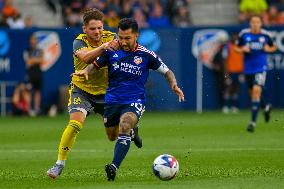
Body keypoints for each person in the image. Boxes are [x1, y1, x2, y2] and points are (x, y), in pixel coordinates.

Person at [74, 18, 185, 181]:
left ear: (136, 36)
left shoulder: (146, 55)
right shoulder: (111, 50)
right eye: (120, 37)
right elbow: (95, 65)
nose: (123, 42)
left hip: (134, 101)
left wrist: (173, 85)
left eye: (127, 38)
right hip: (111, 101)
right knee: (112, 136)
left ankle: (114, 166)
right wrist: (86, 71)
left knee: (125, 125)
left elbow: (167, 71)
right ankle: (132, 132)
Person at [46, 8, 141, 179]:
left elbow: (129, 51)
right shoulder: (79, 42)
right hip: (82, 90)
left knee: (112, 137)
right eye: (92, 29)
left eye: (99, 28)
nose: (97, 32)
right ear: (84, 29)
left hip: (107, 94)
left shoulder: (112, 38)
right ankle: (59, 164)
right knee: (75, 124)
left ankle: (132, 130)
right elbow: (86, 58)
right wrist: (104, 48)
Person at [236, 15, 277, 132]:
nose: (255, 24)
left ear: (260, 23)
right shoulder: (244, 34)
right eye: (253, 22)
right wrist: (242, 49)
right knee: (253, 94)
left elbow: (273, 46)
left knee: (256, 91)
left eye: (257, 22)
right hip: (248, 69)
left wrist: (268, 49)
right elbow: (236, 48)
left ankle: (252, 123)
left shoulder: (265, 35)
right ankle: (266, 107)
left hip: (260, 68)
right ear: (250, 23)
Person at [222, 32, 244, 113]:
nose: (235, 38)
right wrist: (226, 74)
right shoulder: (227, 47)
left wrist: (242, 73)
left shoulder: (241, 47)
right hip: (230, 71)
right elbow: (224, 61)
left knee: (236, 89)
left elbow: (243, 60)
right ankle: (225, 106)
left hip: (239, 71)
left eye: (236, 37)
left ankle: (234, 107)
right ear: (231, 37)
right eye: (233, 36)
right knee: (228, 88)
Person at [23, 34, 44, 116]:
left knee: (37, 91)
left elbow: (42, 60)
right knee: (28, 91)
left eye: (35, 40)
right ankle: (29, 109)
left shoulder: (40, 50)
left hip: (38, 73)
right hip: (30, 74)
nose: (33, 41)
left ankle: (36, 109)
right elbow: (28, 62)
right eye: (32, 40)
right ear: (30, 41)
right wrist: (36, 60)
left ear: (37, 41)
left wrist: (33, 60)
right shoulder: (27, 51)